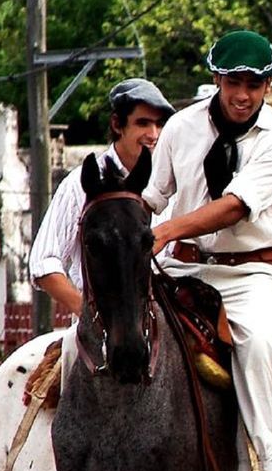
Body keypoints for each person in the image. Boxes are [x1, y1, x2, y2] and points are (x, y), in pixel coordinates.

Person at [142, 30, 272, 471]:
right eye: (234, 82)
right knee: (115, 325)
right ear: (216, 79)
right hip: (181, 263)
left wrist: (166, 229)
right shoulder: (180, 129)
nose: (243, 95)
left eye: (254, 83)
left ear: (268, 86)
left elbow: (233, 208)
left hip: (251, 272)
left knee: (253, 343)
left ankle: (264, 468)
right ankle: (74, 465)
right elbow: (150, 196)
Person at [30, 78, 176, 316]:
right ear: (118, 124)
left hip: (166, 322)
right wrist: (89, 315)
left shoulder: (173, 180)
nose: (154, 134)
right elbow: (44, 263)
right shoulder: (80, 184)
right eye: (143, 123)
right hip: (99, 332)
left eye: (160, 125)